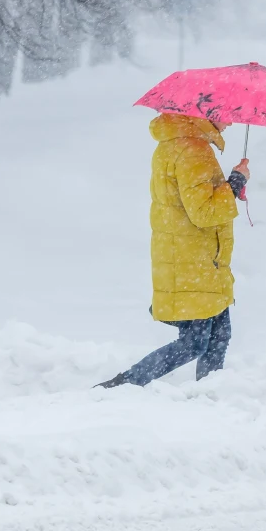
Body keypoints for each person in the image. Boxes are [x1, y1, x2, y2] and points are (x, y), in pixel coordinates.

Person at [98, 113, 249, 388]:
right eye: (227, 114)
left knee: (219, 335)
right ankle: (126, 383)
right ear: (209, 113)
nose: (231, 122)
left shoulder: (174, 143)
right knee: (194, 343)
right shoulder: (194, 150)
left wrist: (227, 188)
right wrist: (235, 183)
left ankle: (210, 393)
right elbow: (203, 212)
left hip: (190, 254)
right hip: (194, 259)